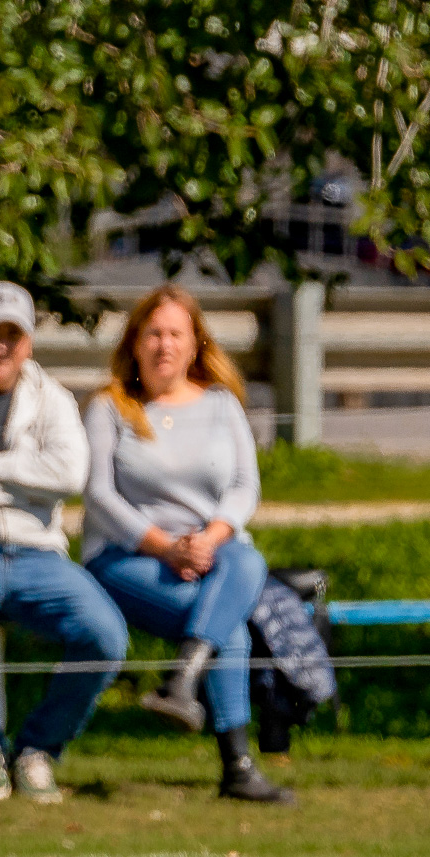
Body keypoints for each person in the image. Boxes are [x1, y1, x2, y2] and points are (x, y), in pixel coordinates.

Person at [81, 284, 295, 805]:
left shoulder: (222, 405)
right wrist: (165, 547)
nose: (164, 345)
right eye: (153, 334)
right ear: (135, 343)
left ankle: (184, 678)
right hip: (129, 556)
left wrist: (209, 538)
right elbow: (99, 495)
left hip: (214, 553)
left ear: (196, 343)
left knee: (247, 559)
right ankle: (236, 765)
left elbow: (245, 487)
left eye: (176, 334)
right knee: (229, 628)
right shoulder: (110, 407)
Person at [0, 282, 129, 805]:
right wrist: (26, 485)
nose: (1, 346)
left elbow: (69, 475)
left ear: (28, 342)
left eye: (13, 335)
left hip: (39, 554)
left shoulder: (54, 397)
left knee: (104, 636)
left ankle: (39, 749)